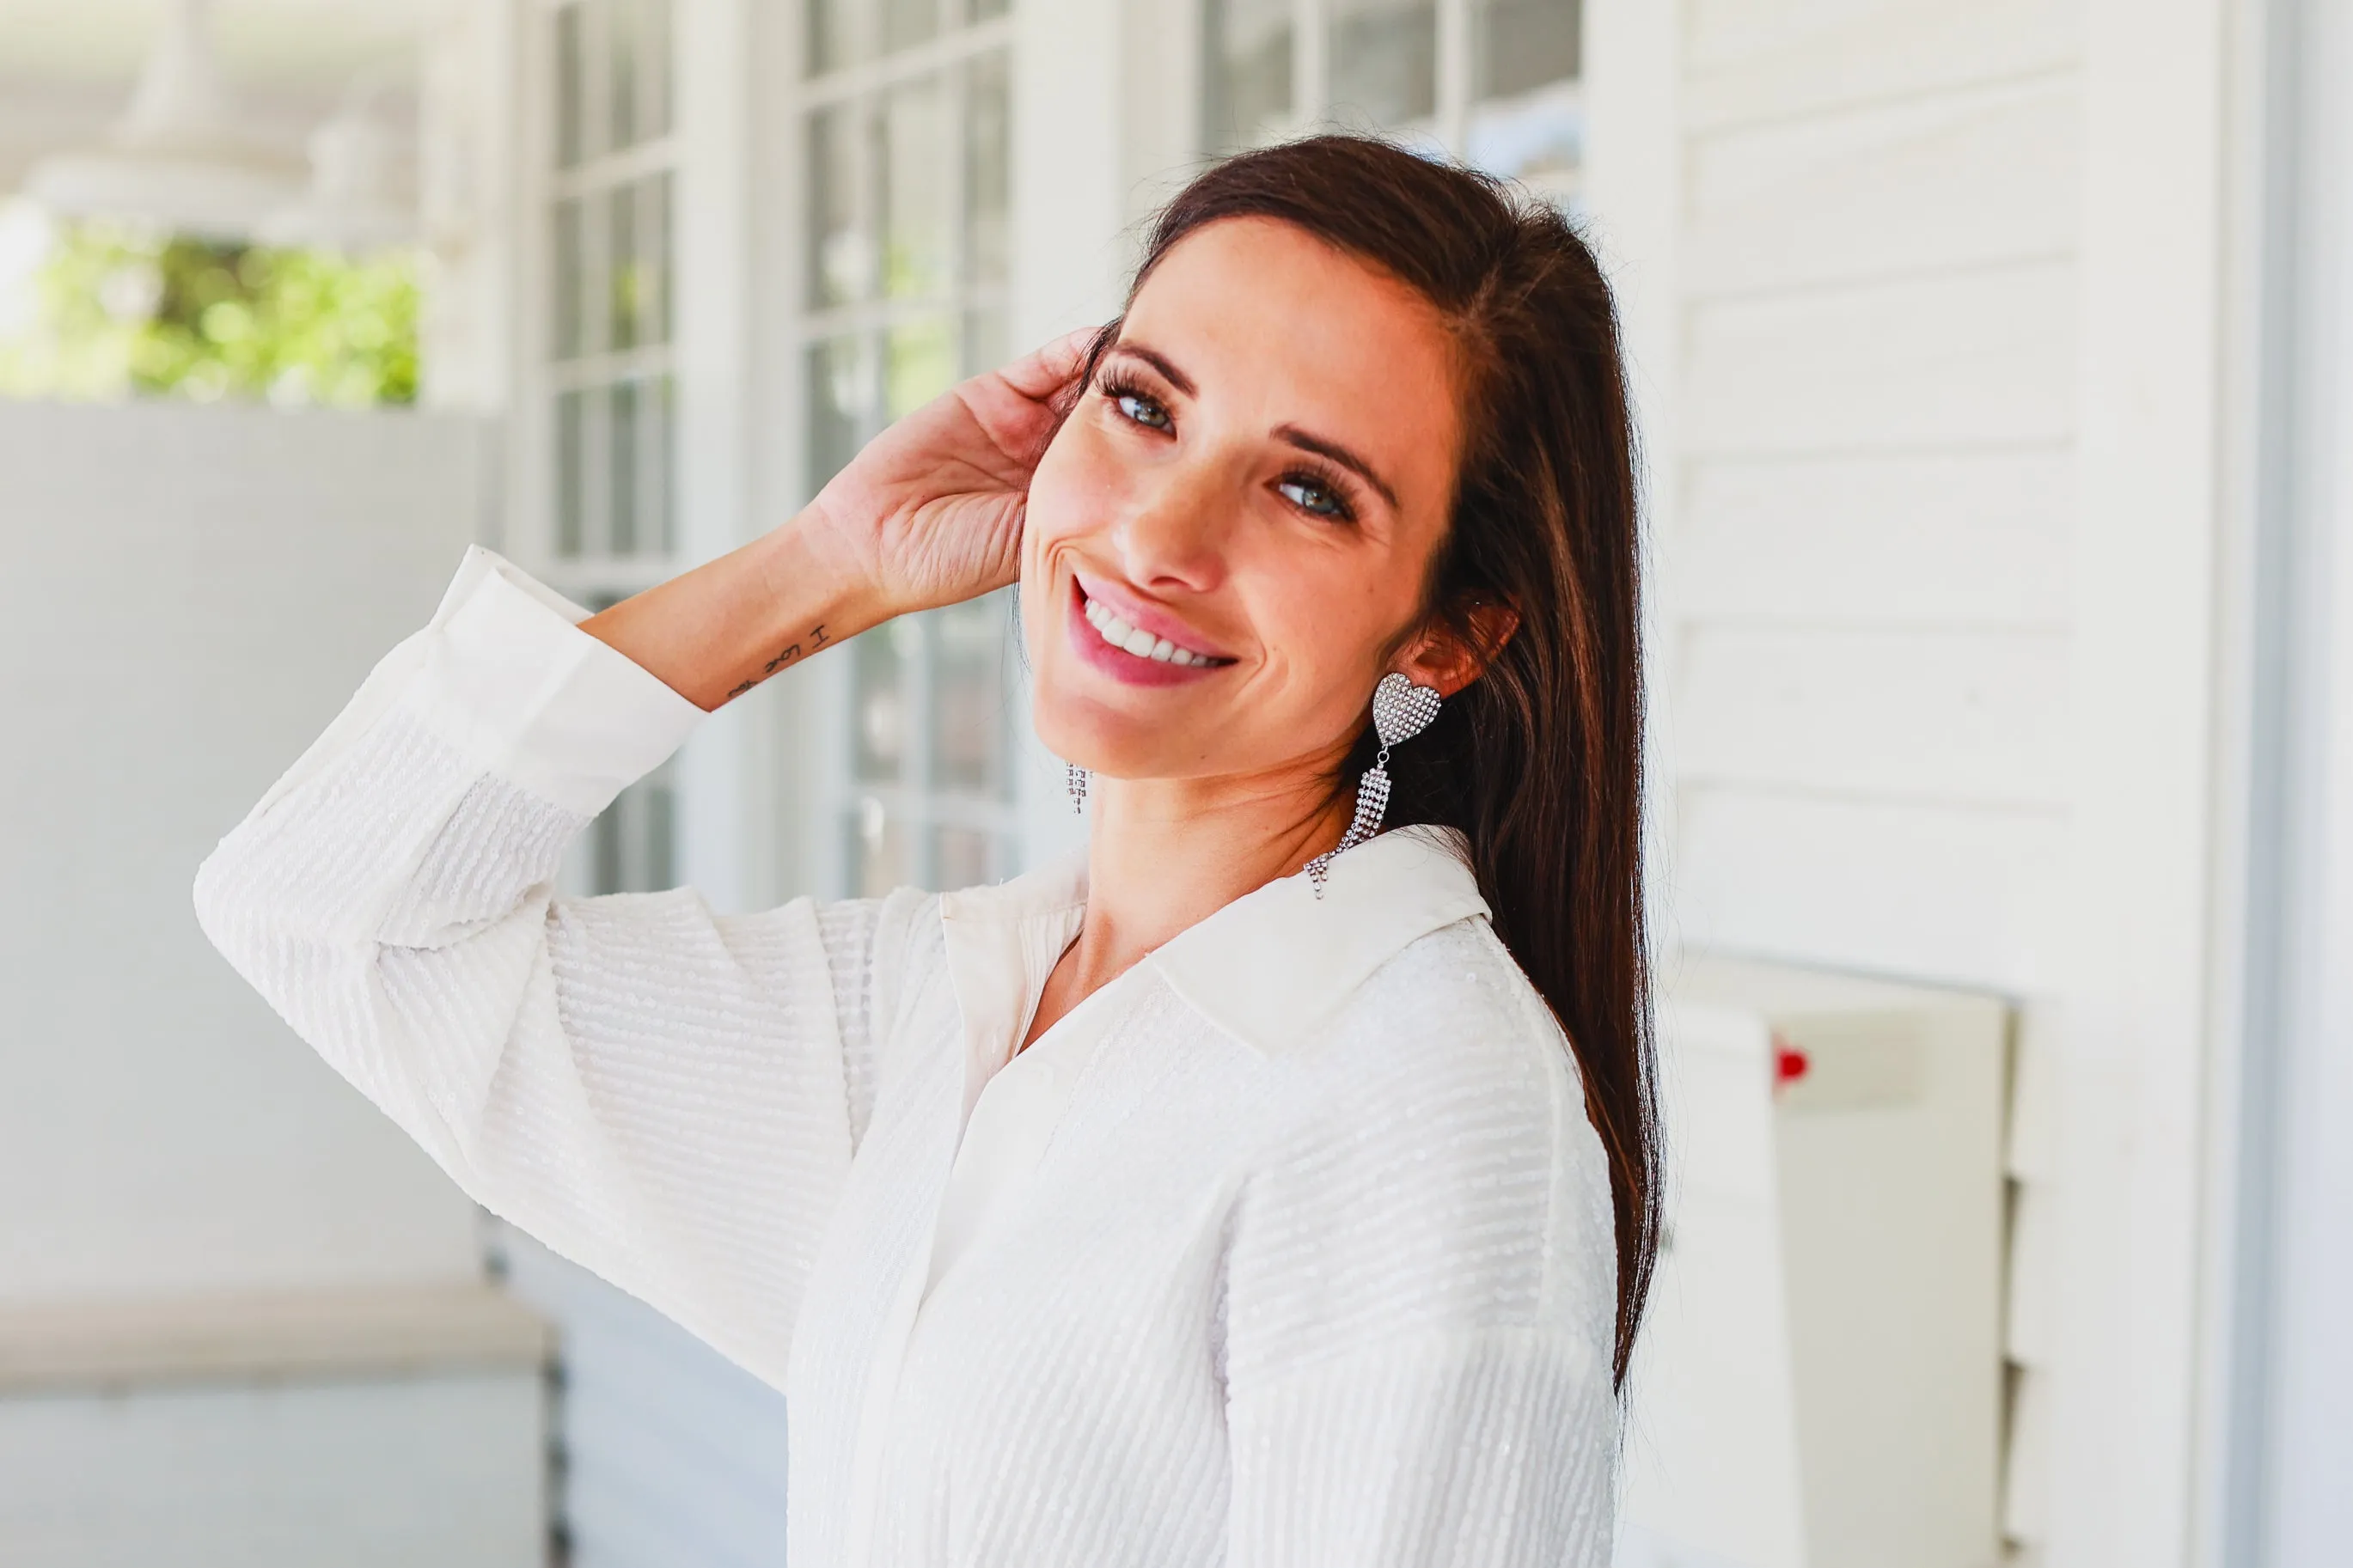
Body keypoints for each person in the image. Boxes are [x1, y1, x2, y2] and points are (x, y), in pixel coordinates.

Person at [194, 135, 1657, 1566]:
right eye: (1143, 406)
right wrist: (826, 558)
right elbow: (330, 915)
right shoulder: (942, 1015)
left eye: (1308, 490)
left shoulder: (1427, 1104)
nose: (1160, 534)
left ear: (1452, 632)